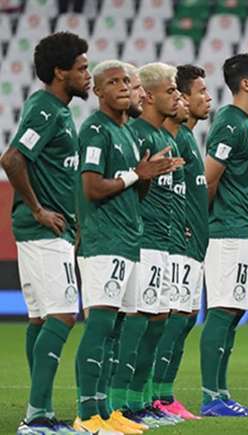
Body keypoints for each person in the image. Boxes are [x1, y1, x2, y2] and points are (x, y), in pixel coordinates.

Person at [73, 60, 179, 433]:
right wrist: (137, 173)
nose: (122, 87)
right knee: (101, 326)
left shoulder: (128, 134)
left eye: (126, 81)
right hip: (103, 240)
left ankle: (108, 411)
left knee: (118, 329)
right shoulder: (95, 130)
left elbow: (137, 189)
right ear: (98, 91)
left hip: (129, 240)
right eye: (112, 82)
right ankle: (87, 413)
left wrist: (148, 173)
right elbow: (91, 188)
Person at [1, 32, 89, 435]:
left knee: (40, 319)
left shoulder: (57, 110)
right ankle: (36, 416)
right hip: (41, 230)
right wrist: (39, 210)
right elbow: (12, 158)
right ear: (60, 72)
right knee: (61, 314)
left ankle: (41, 412)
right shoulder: (47, 109)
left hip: (46, 230)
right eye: (82, 68)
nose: (87, 76)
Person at [200, 52, 248, 417]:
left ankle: (220, 393)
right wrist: (199, 223)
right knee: (223, 310)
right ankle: (211, 396)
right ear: (246, 84)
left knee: (233, 312)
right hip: (226, 231)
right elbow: (209, 178)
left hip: (243, 229)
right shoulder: (230, 122)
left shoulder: (244, 122)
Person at [122, 62, 185, 427]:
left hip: (165, 241)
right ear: (149, 95)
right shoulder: (137, 135)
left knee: (158, 320)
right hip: (142, 240)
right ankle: (121, 402)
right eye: (171, 90)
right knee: (139, 321)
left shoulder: (168, 138)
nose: (177, 96)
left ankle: (142, 400)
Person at [151, 64, 212, 421]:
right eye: (200, 92)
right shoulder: (170, 140)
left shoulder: (186, 139)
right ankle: (157, 394)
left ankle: (163, 394)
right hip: (176, 244)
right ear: (182, 99)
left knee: (185, 319)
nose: (207, 98)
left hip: (193, 245)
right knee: (171, 319)